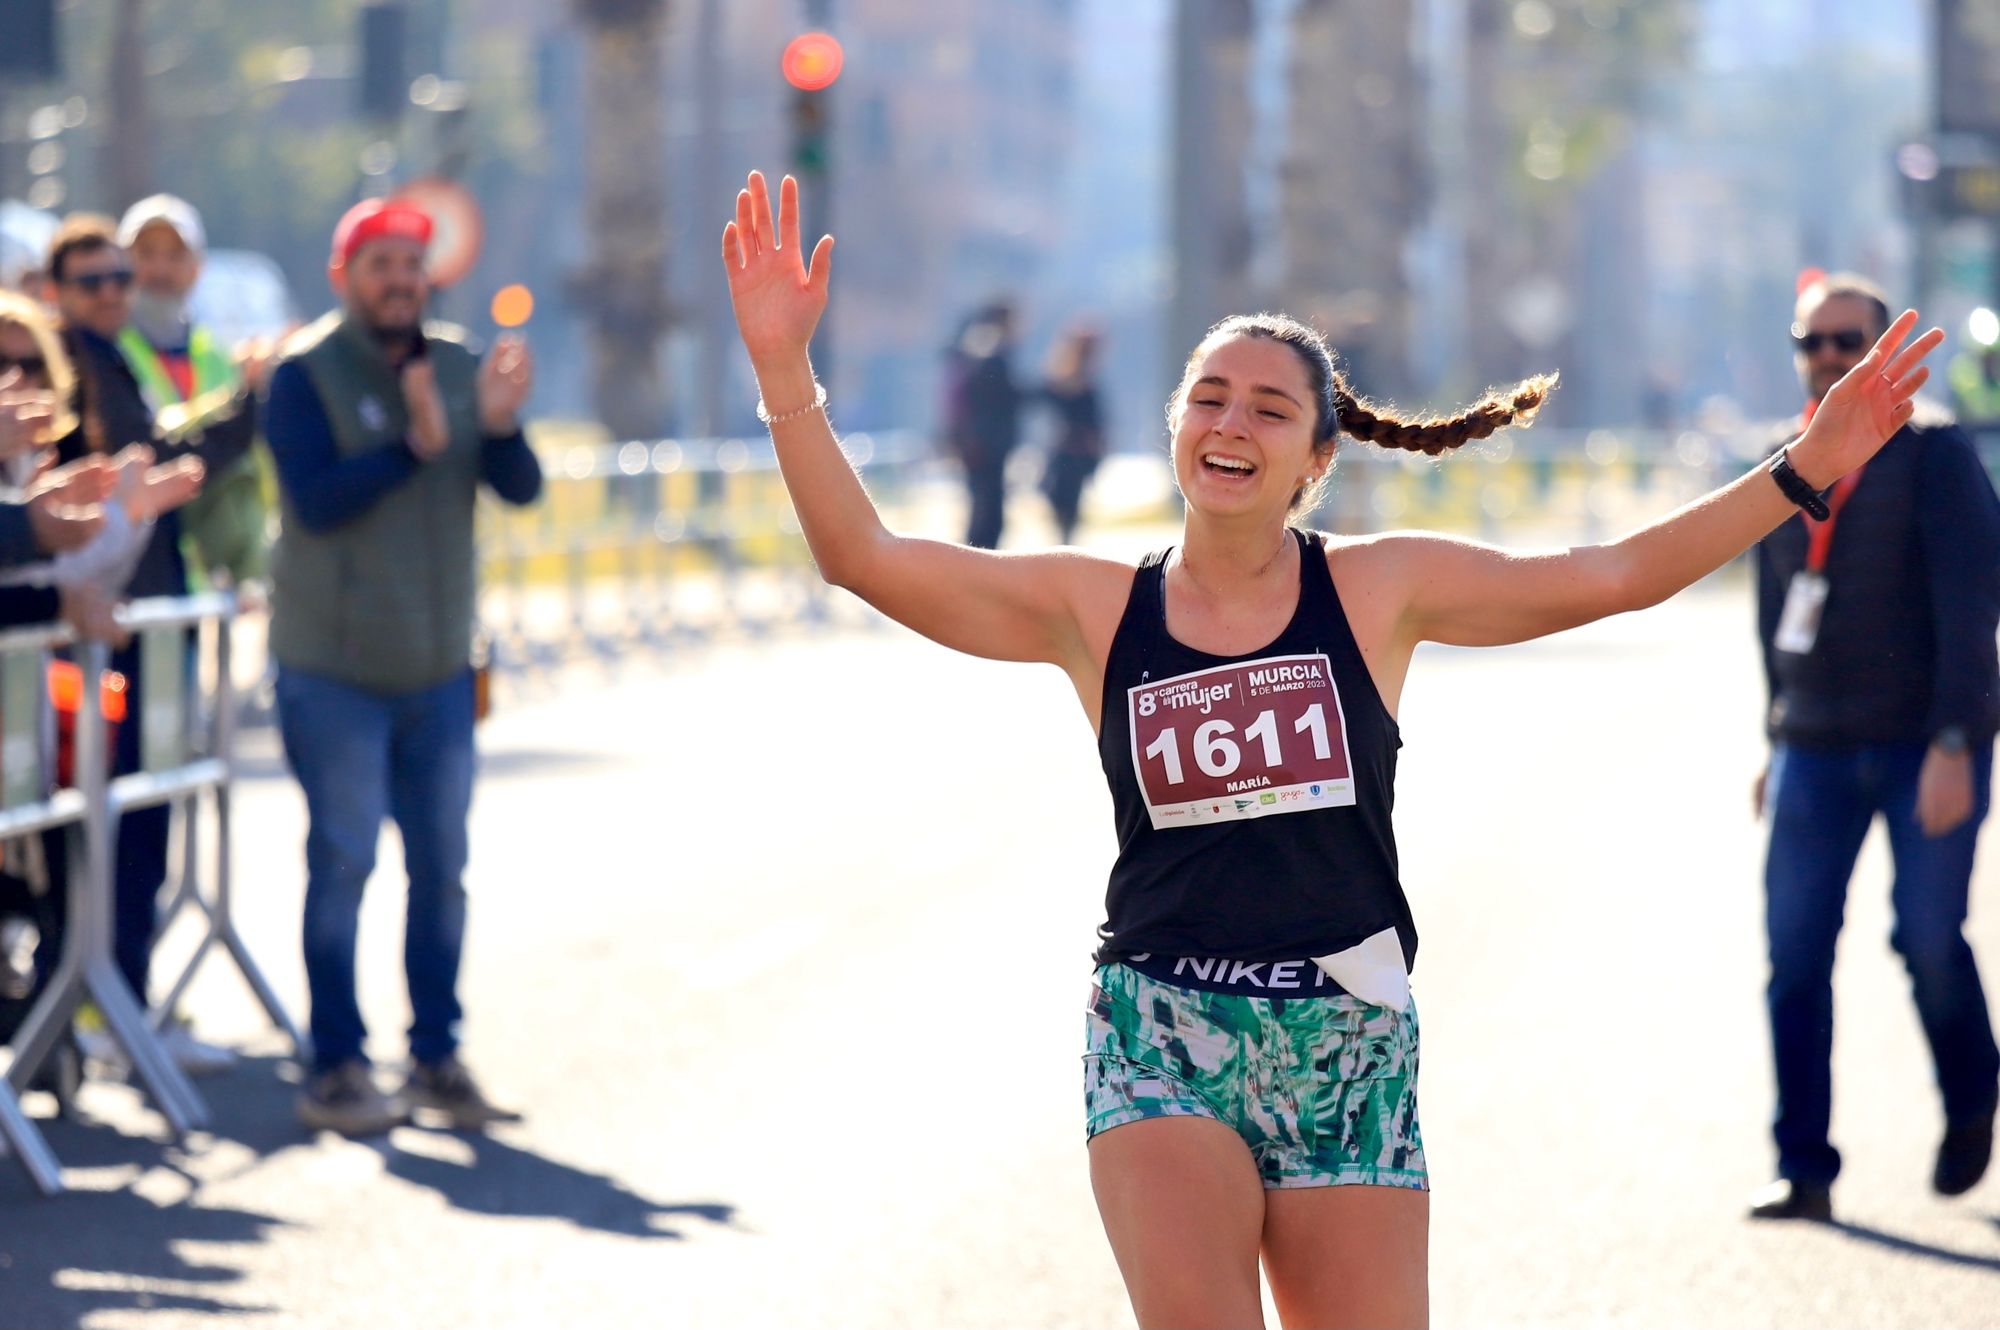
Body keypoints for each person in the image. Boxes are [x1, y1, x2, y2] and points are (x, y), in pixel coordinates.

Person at [720, 171, 1942, 1326]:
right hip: (1162, 1028)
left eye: (1268, 408)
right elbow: (864, 557)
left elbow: (1612, 573)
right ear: (1174, 426)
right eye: (1208, 396)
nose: (1230, 422)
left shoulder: (1375, 590)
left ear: (1313, 460)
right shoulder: (1091, 607)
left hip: (1347, 1032)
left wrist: (1804, 468)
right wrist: (783, 368)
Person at [265, 198, 541, 1136]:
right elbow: (314, 502)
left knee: (442, 871)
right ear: (343, 277)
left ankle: (435, 1059)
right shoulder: (304, 373)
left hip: (437, 668)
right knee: (343, 863)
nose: (398, 281)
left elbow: (520, 489)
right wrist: (412, 448)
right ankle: (337, 1068)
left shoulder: (461, 366)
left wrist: (497, 427)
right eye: (378, 264)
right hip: (333, 668)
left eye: (410, 265)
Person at [1746, 273, 2000, 1221]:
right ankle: (1803, 1167)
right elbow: (1774, 613)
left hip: (1920, 746)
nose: (1828, 359)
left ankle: (1973, 1096)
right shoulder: (1783, 463)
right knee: (1794, 955)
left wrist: (1956, 743)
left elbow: (1973, 610)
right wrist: (1773, 734)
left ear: (1882, 352)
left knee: (1926, 938)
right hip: (1812, 746)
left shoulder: (1936, 453)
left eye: (1847, 342)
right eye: (1811, 343)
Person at [44, 212, 252, 1075]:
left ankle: (123, 1003)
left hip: (149, 623)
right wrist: (245, 410)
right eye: (91, 281)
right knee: (104, 830)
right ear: (55, 291)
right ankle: (99, 1011)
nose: (112, 293)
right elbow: (147, 466)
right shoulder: (73, 362)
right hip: (98, 641)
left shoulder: (119, 356)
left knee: (142, 821)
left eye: (118, 278)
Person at [116, 193, 274, 590]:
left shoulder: (218, 355)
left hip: (206, 579)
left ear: (197, 267)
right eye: (146, 254)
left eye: (175, 255)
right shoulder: (109, 351)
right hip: (133, 570)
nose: (160, 269)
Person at [943, 300, 1023, 549]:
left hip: (977, 444)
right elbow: (1001, 397)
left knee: (984, 508)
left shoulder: (974, 347)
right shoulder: (991, 352)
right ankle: (977, 561)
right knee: (988, 512)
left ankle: (976, 559)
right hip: (985, 445)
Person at [1038, 324, 1106, 545]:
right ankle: (1063, 543)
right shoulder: (1068, 378)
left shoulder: (1079, 380)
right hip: (1068, 448)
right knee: (1060, 498)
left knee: (1066, 501)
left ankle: (1064, 544)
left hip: (1076, 449)